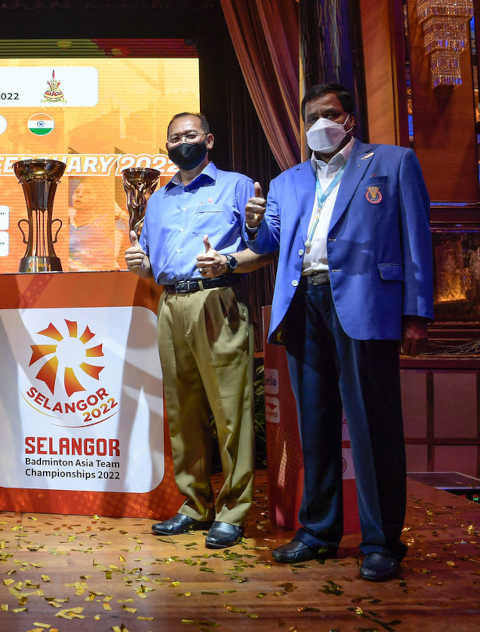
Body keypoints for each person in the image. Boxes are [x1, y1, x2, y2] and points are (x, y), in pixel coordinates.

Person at [245, 83, 433, 582]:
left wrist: (416, 314)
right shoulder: (287, 181)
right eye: (312, 117)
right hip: (304, 303)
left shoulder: (392, 162)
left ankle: (381, 541)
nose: (321, 123)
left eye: (331, 114)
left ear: (350, 118)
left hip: (367, 305)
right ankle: (319, 531)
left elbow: (417, 239)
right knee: (316, 426)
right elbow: (270, 243)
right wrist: (253, 222)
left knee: (374, 427)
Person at [125, 112, 270, 549]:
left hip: (218, 298)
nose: (181, 142)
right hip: (170, 303)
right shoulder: (158, 200)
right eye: (174, 137)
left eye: (190, 135)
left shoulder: (237, 185)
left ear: (208, 140)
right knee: (182, 410)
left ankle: (235, 510)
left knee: (231, 410)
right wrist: (141, 265)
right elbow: (152, 262)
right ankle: (194, 505)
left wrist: (228, 258)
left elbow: (263, 250)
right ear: (167, 146)